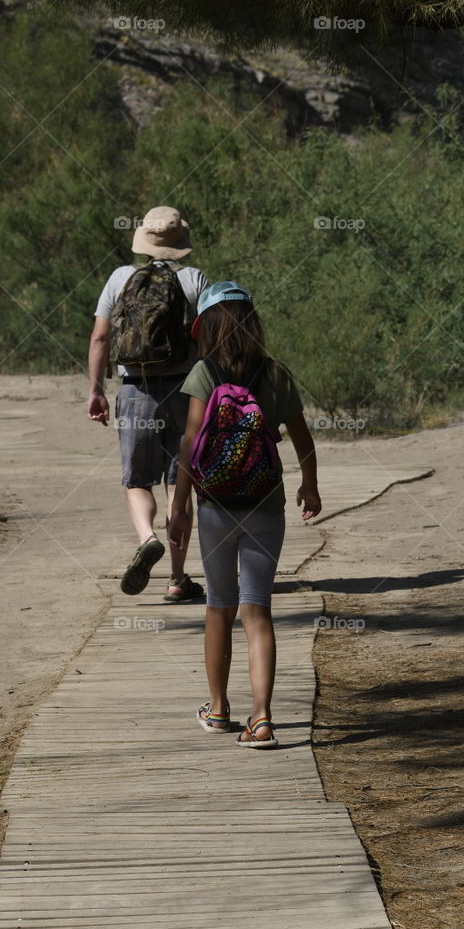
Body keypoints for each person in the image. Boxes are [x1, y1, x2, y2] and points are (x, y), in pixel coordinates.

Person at [167, 281, 321, 747]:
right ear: (253, 323)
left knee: (219, 606)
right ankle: (263, 718)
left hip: (216, 505)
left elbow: (192, 442)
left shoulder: (203, 373)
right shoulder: (276, 374)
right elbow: (302, 438)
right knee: (257, 610)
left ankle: (218, 711)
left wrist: (179, 505)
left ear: (207, 328)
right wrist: (309, 485)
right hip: (265, 504)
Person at [88, 206, 208, 601]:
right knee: (179, 485)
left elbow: (101, 338)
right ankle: (177, 579)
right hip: (185, 392)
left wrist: (97, 389)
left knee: (138, 480)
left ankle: (147, 537)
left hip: (136, 390)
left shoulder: (121, 278)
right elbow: (209, 340)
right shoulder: (193, 280)